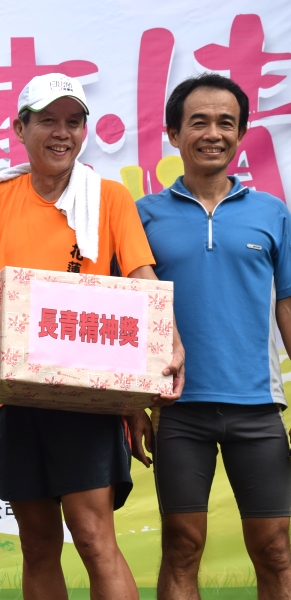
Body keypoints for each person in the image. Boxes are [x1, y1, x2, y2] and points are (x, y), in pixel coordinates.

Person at [0, 73, 185, 600]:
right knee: (37, 544)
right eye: (48, 121)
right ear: (20, 128)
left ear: (85, 131)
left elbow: (140, 277)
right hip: (15, 395)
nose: (62, 133)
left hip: (88, 396)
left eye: (74, 122)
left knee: (93, 536)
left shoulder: (108, 197)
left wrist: (168, 338)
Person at [135, 73, 291, 600]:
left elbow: (287, 306)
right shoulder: (143, 215)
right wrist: (133, 405)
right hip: (179, 408)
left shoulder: (272, 213)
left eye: (226, 122)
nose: (213, 133)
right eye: (198, 121)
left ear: (241, 134)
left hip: (258, 408)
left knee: (275, 549)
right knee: (182, 545)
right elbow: (128, 317)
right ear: (173, 135)